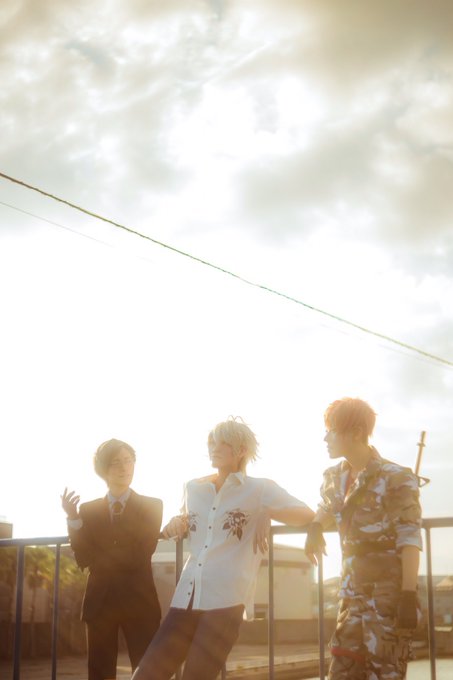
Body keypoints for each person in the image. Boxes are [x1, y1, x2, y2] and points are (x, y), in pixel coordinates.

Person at [132, 416, 315, 680]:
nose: (214, 448)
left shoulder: (260, 489)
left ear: (241, 450)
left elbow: (307, 515)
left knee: (197, 677)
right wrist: (177, 522)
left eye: (222, 443)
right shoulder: (193, 488)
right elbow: (189, 519)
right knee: (147, 674)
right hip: (187, 595)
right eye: (211, 443)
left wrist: (268, 512)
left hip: (226, 600)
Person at [305, 397, 422, 680]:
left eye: (331, 431)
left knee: (385, 672)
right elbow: (329, 506)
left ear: (356, 432)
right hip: (351, 595)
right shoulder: (335, 476)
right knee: (341, 672)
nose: (325, 438)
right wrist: (316, 526)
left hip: (387, 597)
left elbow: (409, 537)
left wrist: (408, 595)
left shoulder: (396, 477)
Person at [61, 439, 162, 680]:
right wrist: (73, 518)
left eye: (128, 461)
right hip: (100, 602)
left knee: (147, 671)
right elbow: (83, 558)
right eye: (116, 462)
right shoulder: (88, 510)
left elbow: (142, 552)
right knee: (99, 673)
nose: (124, 468)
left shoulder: (152, 506)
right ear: (103, 470)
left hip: (139, 602)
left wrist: (98, 552)